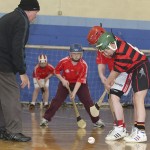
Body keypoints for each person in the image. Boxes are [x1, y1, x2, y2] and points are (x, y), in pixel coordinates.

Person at [96, 32, 150, 143]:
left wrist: (108, 83)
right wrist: (109, 82)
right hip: (136, 69)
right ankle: (136, 130)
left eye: (106, 51)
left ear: (112, 45)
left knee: (139, 99)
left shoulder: (122, 54)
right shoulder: (117, 44)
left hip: (142, 67)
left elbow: (113, 74)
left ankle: (141, 132)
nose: (105, 54)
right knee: (136, 99)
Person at [0, 0, 40, 142]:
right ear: (30, 10)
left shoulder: (8, 17)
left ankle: (3, 129)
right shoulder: (21, 20)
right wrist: (22, 72)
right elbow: (17, 48)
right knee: (11, 96)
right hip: (3, 65)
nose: (35, 16)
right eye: (36, 13)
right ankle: (14, 131)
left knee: (3, 98)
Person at [40, 43, 105, 128]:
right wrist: (63, 80)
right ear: (70, 54)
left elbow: (80, 80)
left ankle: (96, 121)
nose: (77, 56)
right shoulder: (64, 61)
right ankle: (46, 119)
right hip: (65, 83)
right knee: (57, 100)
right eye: (74, 53)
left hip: (80, 84)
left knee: (88, 101)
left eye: (79, 54)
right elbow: (56, 71)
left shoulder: (84, 65)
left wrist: (74, 93)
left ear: (81, 54)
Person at [87, 26, 132, 141]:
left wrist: (111, 79)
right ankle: (119, 126)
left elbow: (121, 63)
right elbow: (101, 63)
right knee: (111, 98)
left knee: (115, 96)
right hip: (116, 73)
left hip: (126, 71)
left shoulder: (114, 43)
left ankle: (121, 128)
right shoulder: (101, 48)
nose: (97, 46)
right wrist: (103, 77)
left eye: (96, 42)